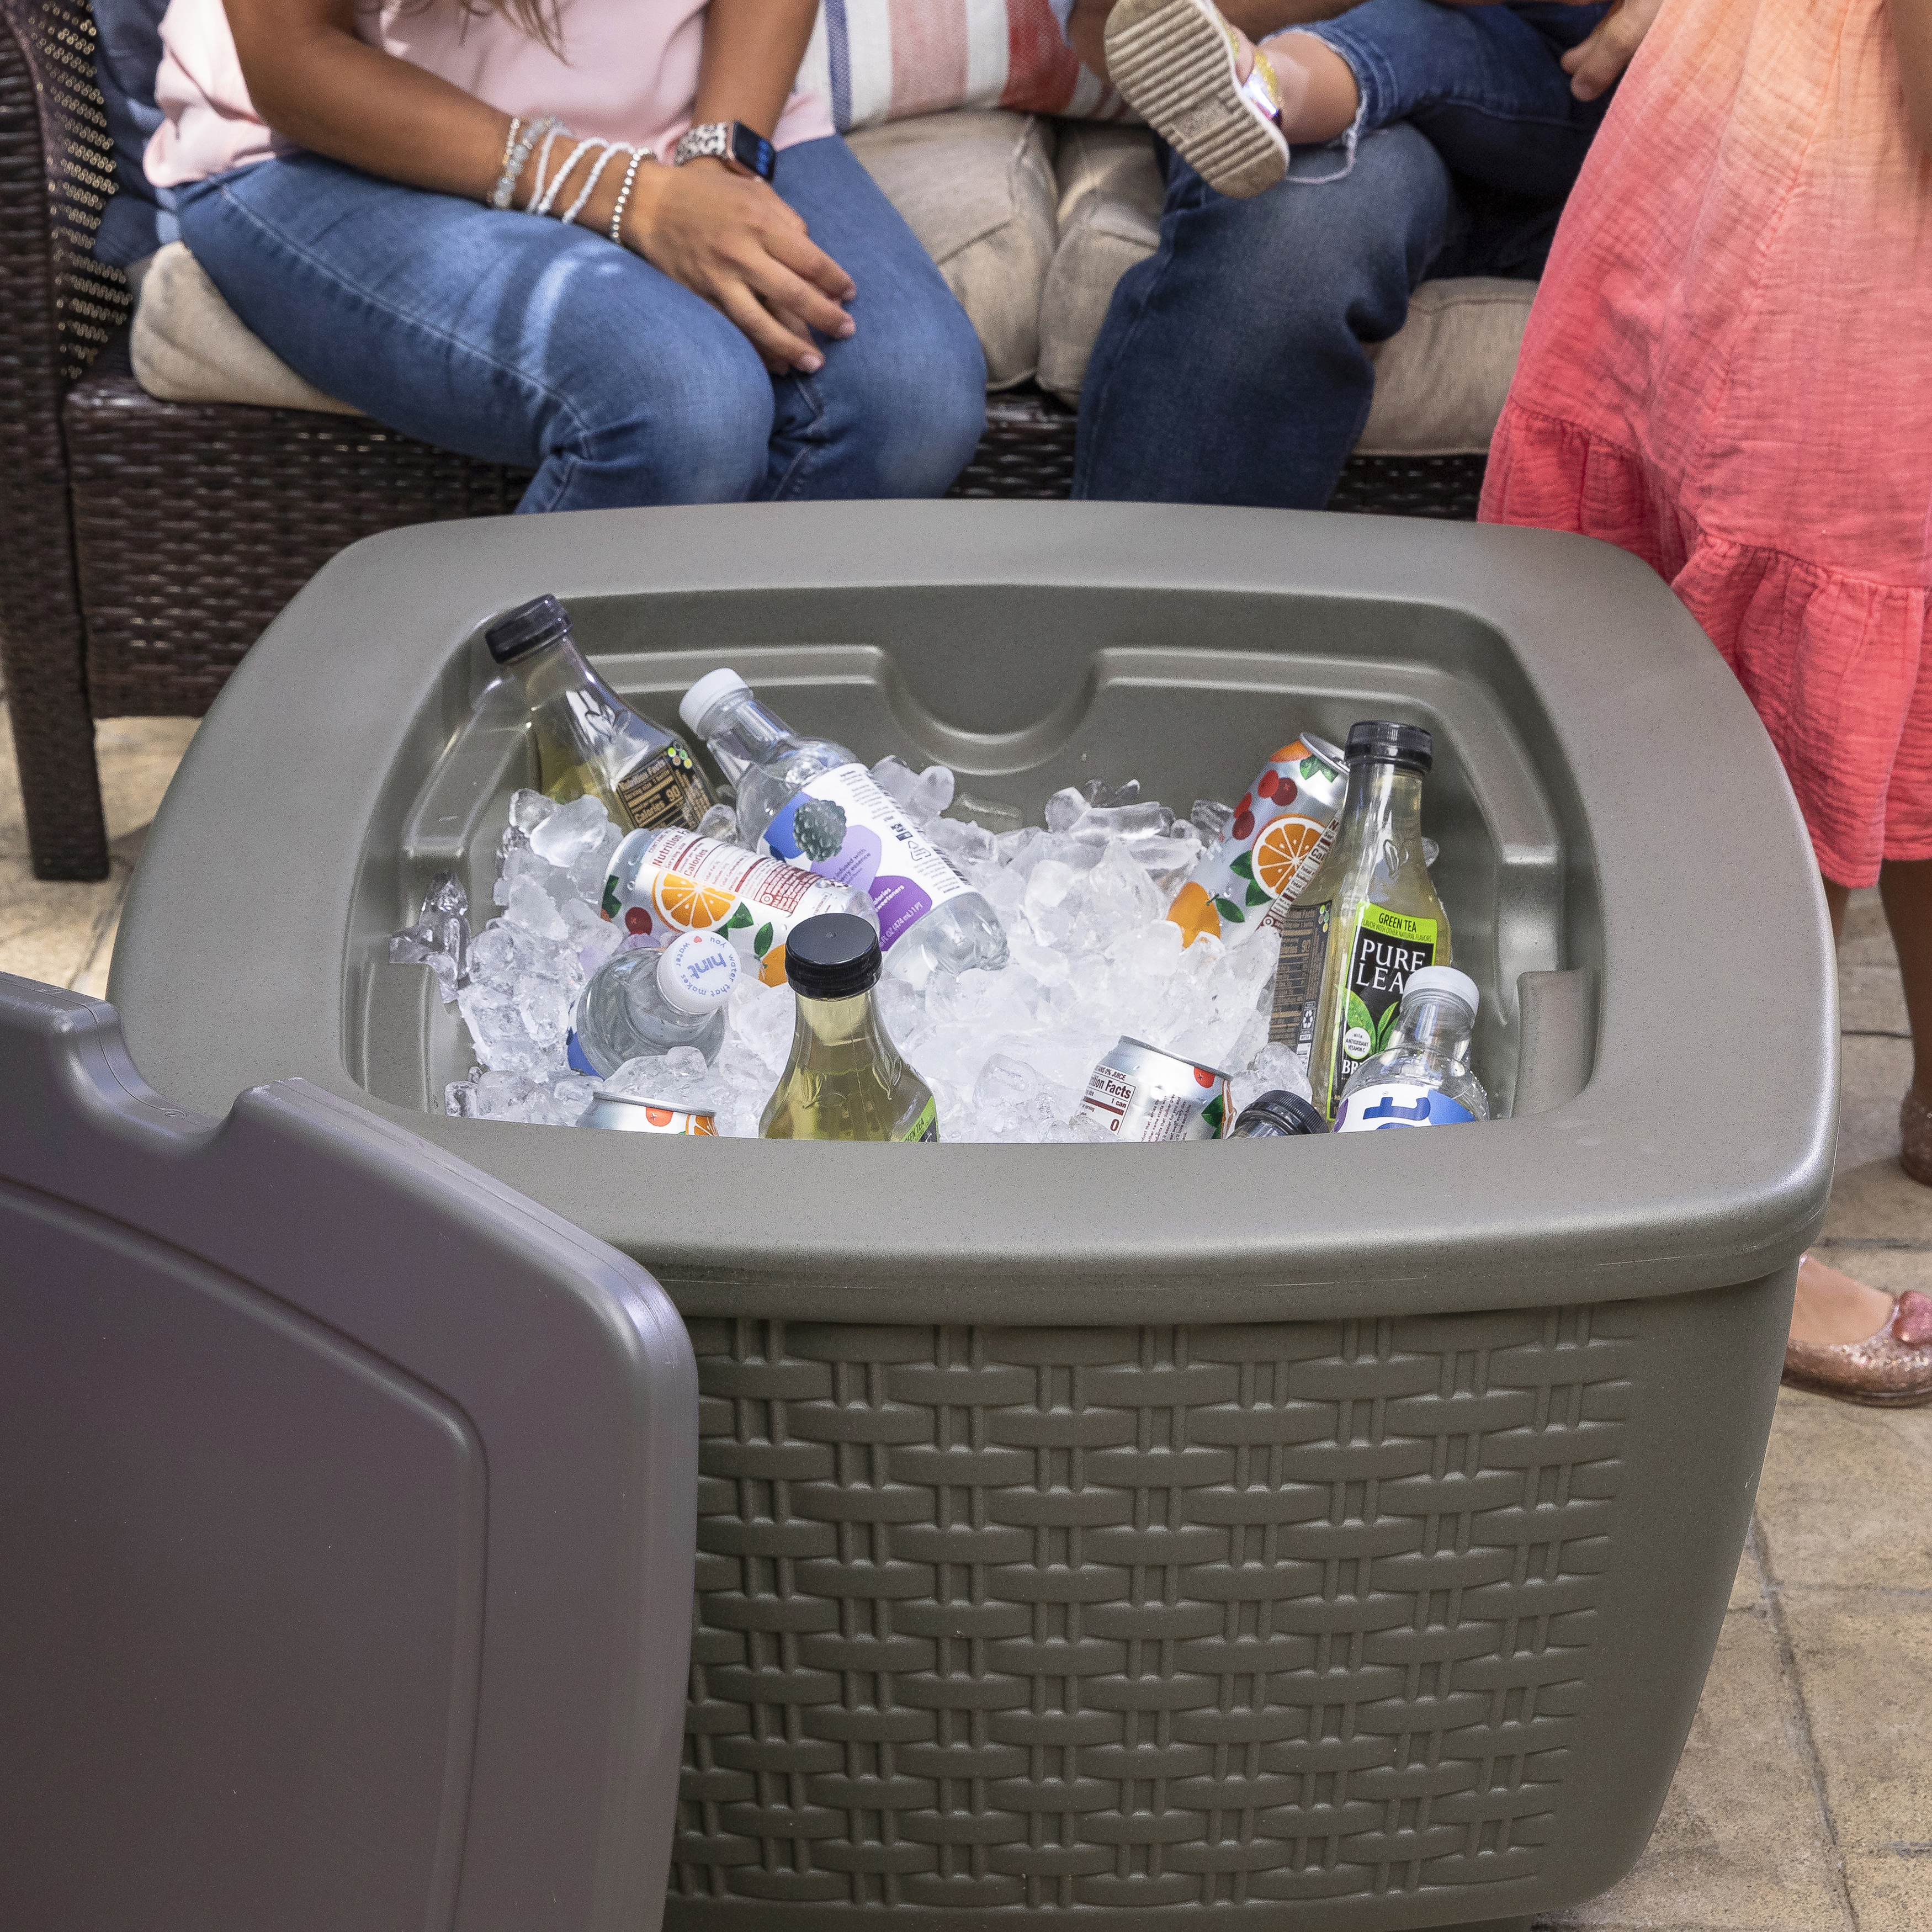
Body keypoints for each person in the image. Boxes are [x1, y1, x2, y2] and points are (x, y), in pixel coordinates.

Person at [1481, 0, 1932, 1403]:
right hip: (1858, 181)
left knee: (1877, 656)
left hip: (1756, 107)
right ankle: (1752, 1207)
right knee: (1816, 651)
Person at [143, 0, 988, 513]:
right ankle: (530, 777)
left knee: (913, 399)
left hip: (688, 103)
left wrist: (717, 157)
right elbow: (293, 56)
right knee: (683, 405)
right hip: (335, 142)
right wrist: (642, 199)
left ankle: (726, 755)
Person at [1053, 0, 1655, 508]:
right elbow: (1103, 26)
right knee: (1294, 237)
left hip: (1609, 123)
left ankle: (1269, 84)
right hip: (1353, 124)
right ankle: (1142, 622)